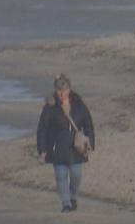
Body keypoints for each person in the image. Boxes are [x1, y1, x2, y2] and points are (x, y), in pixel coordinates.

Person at [36, 74, 95, 213]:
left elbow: (88, 124)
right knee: (60, 176)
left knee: (76, 175)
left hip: (76, 148)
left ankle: (72, 196)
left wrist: (91, 142)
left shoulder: (79, 104)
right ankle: (66, 203)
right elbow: (42, 129)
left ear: (69, 89)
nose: (61, 93)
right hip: (56, 148)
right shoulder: (50, 107)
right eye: (59, 90)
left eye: (64, 90)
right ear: (55, 90)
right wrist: (42, 149)